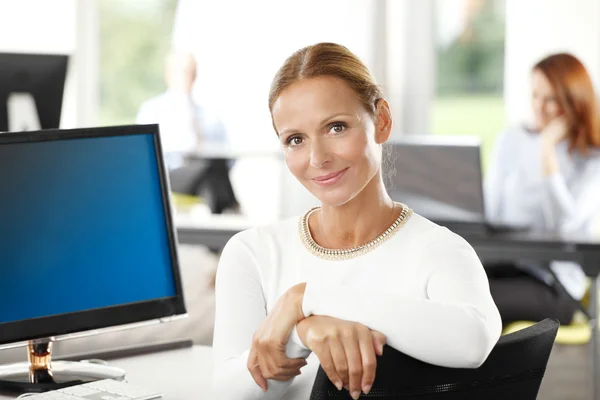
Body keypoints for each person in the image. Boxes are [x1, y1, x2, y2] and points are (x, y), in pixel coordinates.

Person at [212, 42, 502, 400]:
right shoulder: (251, 252)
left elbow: (473, 341)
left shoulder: (440, 250)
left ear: (381, 121)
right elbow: (224, 393)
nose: (317, 158)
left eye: (336, 127)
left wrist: (306, 299)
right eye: (296, 139)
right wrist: (302, 335)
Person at [485, 53, 600, 326]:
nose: (539, 106)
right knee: (443, 283)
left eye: (551, 99)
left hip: (555, 285)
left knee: (475, 299)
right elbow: (489, 211)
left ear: (574, 102)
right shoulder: (511, 139)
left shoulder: (592, 158)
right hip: (509, 264)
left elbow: (564, 227)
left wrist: (547, 150)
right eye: (535, 95)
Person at [137, 51, 239, 214]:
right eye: (181, 71)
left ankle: (221, 215)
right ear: (168, 74)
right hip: (169, 176)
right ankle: (231, 208)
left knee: (211, 170)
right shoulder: (152, 111)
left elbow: (228, 159)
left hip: (206, 177)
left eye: (191, 71)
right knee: (210, 166)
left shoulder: (210, 115)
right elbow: (144, 158)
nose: (187, 76)